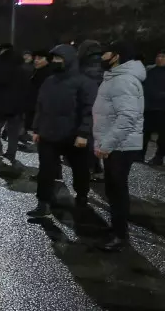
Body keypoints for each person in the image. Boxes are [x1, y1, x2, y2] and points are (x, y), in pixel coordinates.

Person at [26, 44, 97, 220]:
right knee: (46, 171)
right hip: (49, 134)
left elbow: (89, 110)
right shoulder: (49, 81)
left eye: (59, 58)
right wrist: (37, 129)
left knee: (80, 169)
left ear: (69, 60)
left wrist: (83, 133)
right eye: (54, 59)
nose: (55, 62)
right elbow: (40, 106)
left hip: (73, 135)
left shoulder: (84, 82)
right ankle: (43, 203)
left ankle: (82, 197)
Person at [93, 41, 145, 251]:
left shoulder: (123, 80)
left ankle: (120, 235)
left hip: (121, 146)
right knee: (112, 189)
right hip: (115, 144)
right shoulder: (114, 78)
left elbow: (127, 117)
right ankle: (116, 226)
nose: (101, 57)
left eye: (105, 53)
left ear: (117, 56)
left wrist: (107, 144)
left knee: (117, 189)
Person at [0, 44, 31, 164]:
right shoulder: (22, 69)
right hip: (17, 107)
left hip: (0, 105)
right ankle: (11, 154)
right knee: (13, 133)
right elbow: (26, 89)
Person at [77, 40, 106, 179]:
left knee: (87, 137)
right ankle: (96, 167)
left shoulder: (84, 66)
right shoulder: (103, 64)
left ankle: (89, 168)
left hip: (87, 104)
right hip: (102, 107)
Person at [24, 50, 53, 138]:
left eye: (39, 58)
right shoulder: (36, 70)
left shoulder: (49, 74)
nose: (36, 60)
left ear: (47, 60)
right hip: (31, 104)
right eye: (35, 58)